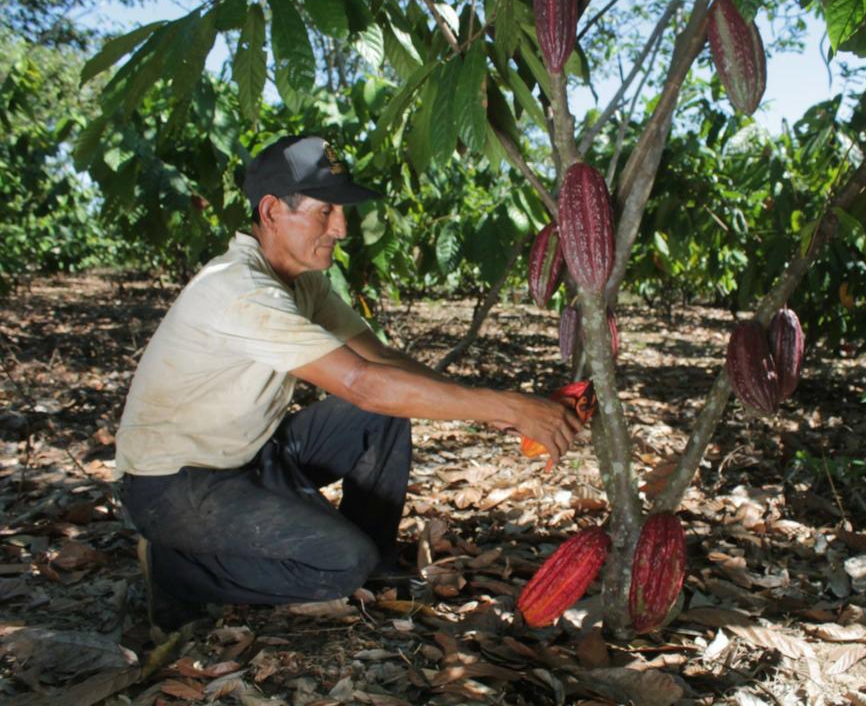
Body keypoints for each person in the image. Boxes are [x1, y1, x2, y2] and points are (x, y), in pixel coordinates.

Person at [115, 134, 582, 632]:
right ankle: (176, 570)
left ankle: (371, 564)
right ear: (272, 211)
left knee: (379, 421)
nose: (341, 228)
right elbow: (360, 383)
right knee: (339, 562)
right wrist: (509, 407)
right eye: (325, 212)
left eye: (341, 212)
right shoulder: (240, 290)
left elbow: (378, 357)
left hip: (250, 456)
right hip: (174, 485)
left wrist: (493, 409)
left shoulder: (302, 281)